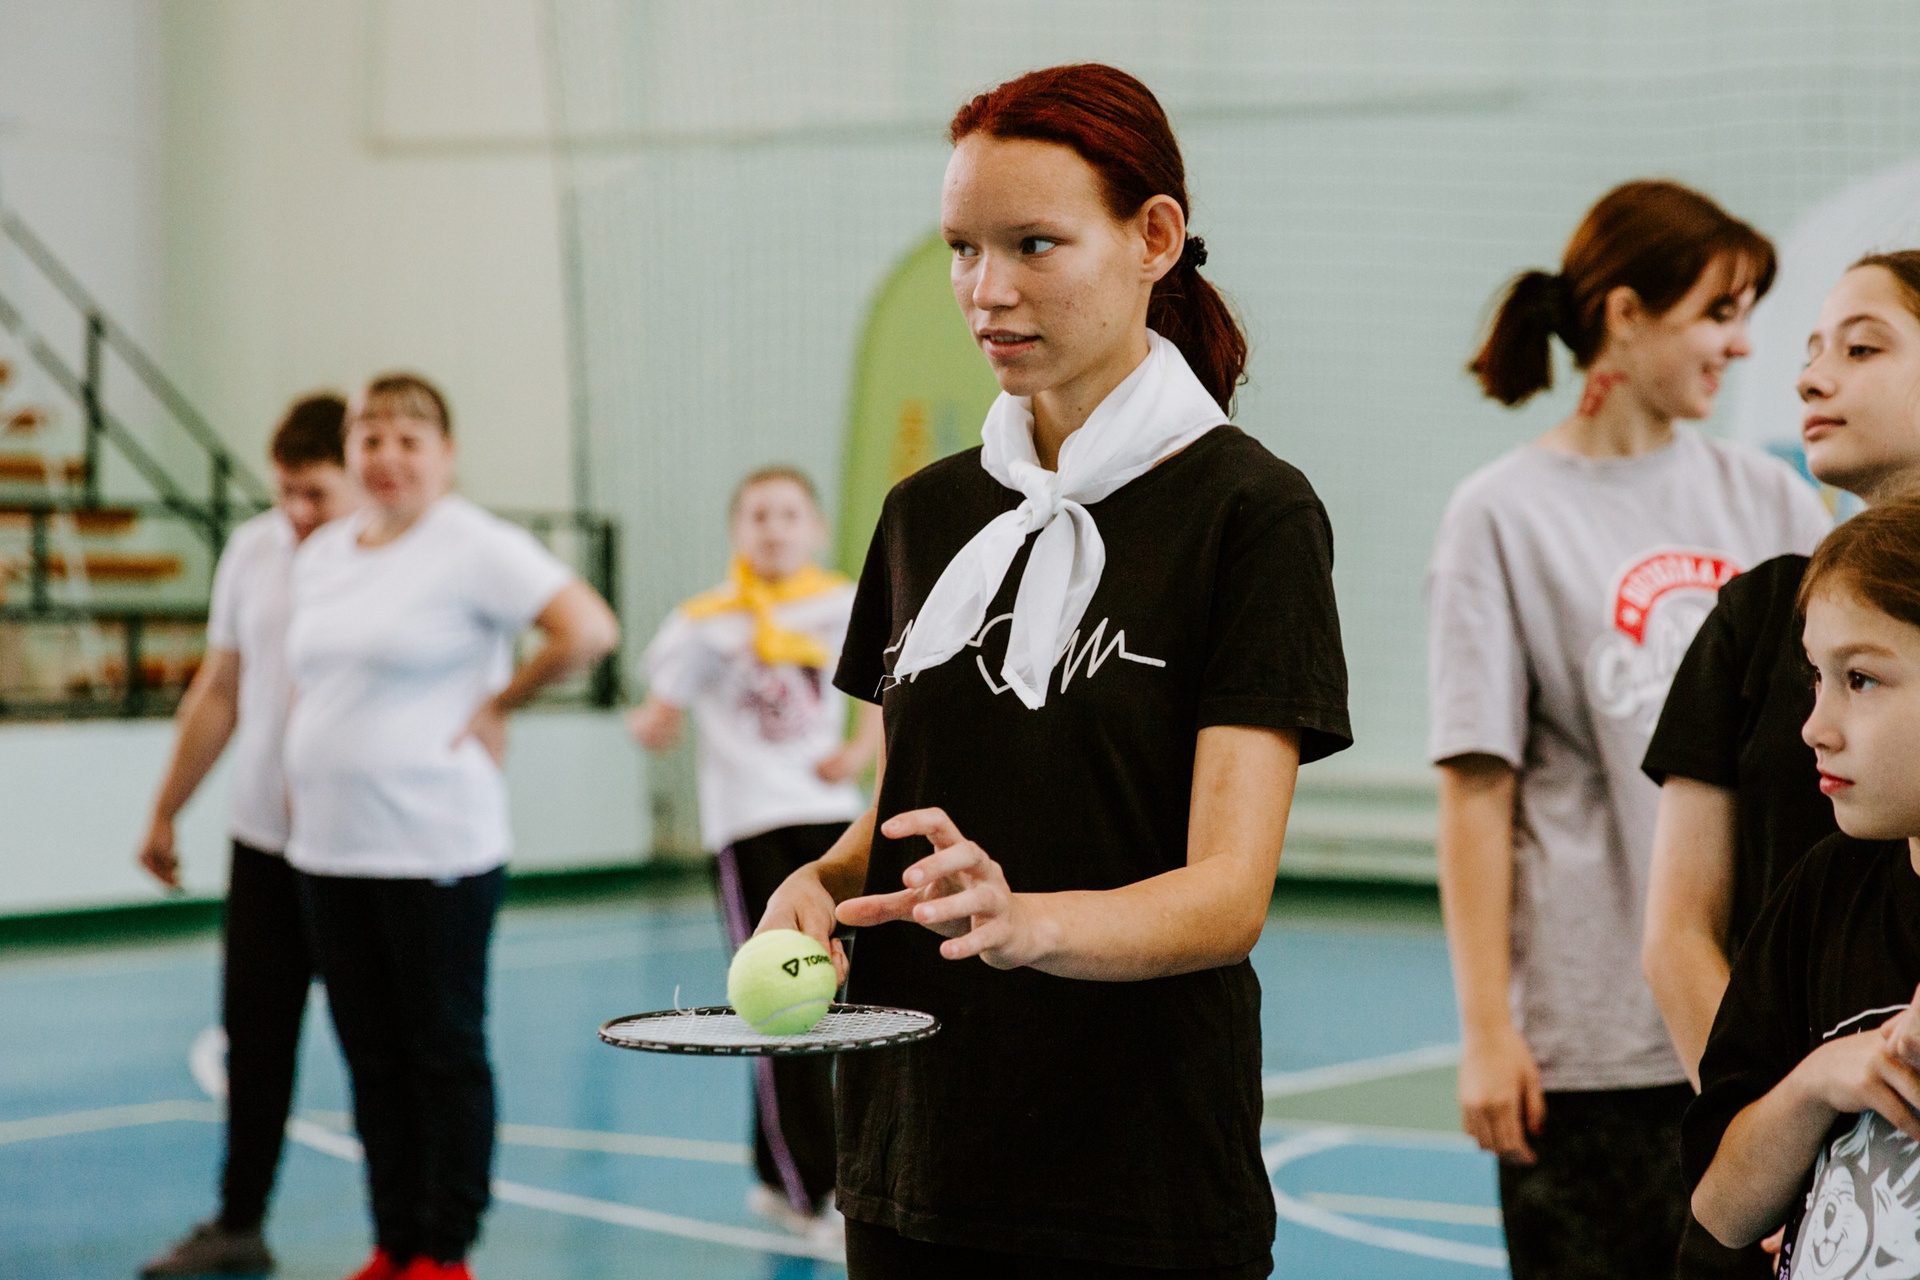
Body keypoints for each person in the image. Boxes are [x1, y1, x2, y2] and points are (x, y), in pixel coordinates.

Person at [756, 64, 1351, 1278]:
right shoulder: (925, 513)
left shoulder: (1251, 512)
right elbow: (907, 801)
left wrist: (1026, 921)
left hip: (1134, 1173)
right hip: (914, 1152)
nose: (987, 289)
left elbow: (1227, 892)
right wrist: (818, 878)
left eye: (1034, 244)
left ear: (1154, 238)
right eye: (962, 249)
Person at [1428, 180, 1832, 1277]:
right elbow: (1477, 791)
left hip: (1752, 1024)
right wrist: (1488, 1030)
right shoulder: (1501, 514)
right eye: (1717, 313)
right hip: (1591, 1040)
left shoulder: (1772, 502)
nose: (1742, 344)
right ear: (1623, 315)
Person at [283, 373, 618, 1280]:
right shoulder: (322, 553)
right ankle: (391, 1240)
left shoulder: (475, 545)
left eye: (409, 440)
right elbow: (311, 684)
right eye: (371, 438)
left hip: (433, 846)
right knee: (369, 1057)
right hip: (328, 849)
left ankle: (445, 1246)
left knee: (441, 1051)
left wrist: (499, 702)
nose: (387, 456)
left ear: (446, 455)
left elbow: (588, 629)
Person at [1644, 252, 1920, 1275]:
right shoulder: (1759, 611)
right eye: (1809, 351)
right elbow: (1678, 929)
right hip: (1795, 1118)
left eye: (1862, 348)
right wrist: (1792, 1135)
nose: (1810, 377)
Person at [135, 394, 361, 1278]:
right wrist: (166, 808)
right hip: (264, 841)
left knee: (382, 1049)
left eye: (317, 494)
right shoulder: (254, 549)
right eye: (285, 493)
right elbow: (220, 689)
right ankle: (238, 1222)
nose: (297, 512)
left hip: (364, 852)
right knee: (255, 1038)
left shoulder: (389, 561)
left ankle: (409, 1240)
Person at [629, 463, 880, 1240]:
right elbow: (662, 703)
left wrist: (860, 753)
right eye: (758, 516)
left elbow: (884, 691)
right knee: (784, 1004)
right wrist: (656, 720)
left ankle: (784, 1176)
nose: (773, 528)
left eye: (788, 514)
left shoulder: (843, 604)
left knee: (848, 1000)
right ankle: (814, 1191)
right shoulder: (705, 623)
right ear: (737, 532)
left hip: (833, 825)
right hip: (750, 828)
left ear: (816, 528)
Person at [1687, 494, 1920, 1277]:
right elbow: (1721, 1211)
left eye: (1861, 679)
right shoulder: (1823, 892)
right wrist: (1817, 1082)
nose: (1814, 726)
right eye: (1817, 677)